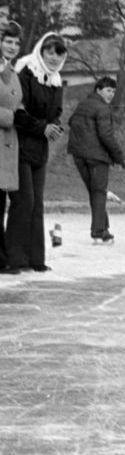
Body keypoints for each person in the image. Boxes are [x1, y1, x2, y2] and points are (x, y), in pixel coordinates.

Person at [2, 32, 67, 275]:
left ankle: (34, 258)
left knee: (37, 203)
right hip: (20, 146)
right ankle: (14, 259)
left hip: (40, 149)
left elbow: (55, 111)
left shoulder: (56, 80)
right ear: (41, 51)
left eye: (59, 53)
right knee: (23, 202)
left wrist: (56, 125)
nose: (53, 57)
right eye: (50, 52)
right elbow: (19, 112)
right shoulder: (26, 72)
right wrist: (43, 127)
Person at [66, 77, 125, 243]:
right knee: (99, 193)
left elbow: (71, 122)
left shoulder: (82, 105)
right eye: (108, 90)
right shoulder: (103, 108)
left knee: (96, 193)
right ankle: (99, 232)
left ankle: (103, 230)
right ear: (98, 90)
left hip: (79, 156)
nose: (111, 94)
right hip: (96, 157)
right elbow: (106, 135)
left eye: (113, 91)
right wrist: (119, 156)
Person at [0, 20, 23, 269]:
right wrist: (12, 117)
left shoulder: (12, 72)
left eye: (16, 43)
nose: (12, 46)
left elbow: (17, 103)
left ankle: (3, 258)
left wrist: (24, 115)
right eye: (8, 41)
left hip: (8, 145)